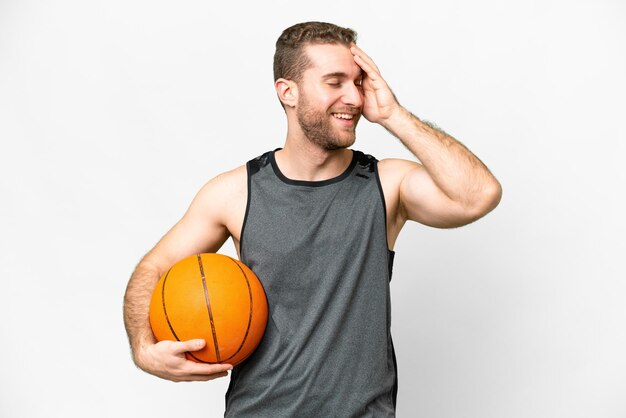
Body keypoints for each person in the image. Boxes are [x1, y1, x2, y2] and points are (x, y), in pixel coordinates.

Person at [123, 21, 502, 417]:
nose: (354, 97)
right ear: (288, 92)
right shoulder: (235, 193)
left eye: (358, 83)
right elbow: (155, 267)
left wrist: (393, 114)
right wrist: (143, 348)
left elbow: (478, 194)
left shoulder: (386, 185)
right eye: (334, 82)